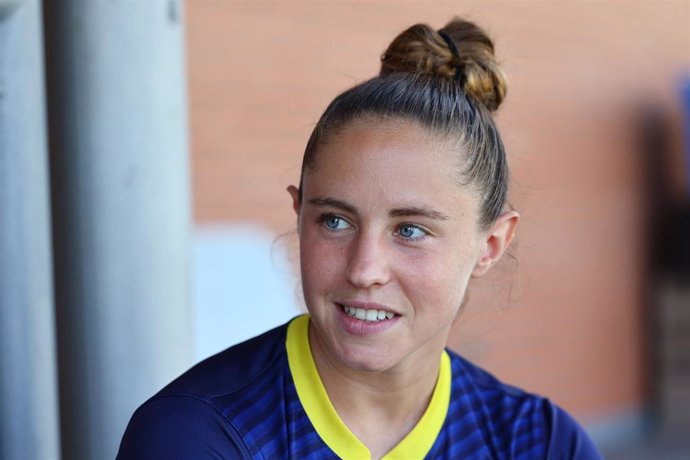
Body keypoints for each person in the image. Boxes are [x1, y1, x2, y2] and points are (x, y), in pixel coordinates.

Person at [118, 17, 603, 460]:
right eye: (335, 221)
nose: (363, 269)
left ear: (491, 245)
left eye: (410, 230)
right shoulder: (195, 436)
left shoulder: (539, 444)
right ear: (299, 211)